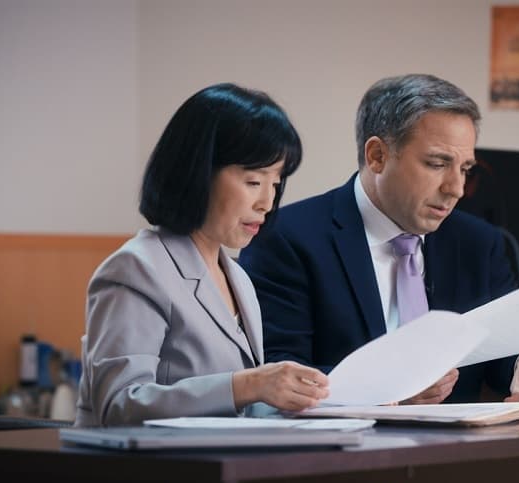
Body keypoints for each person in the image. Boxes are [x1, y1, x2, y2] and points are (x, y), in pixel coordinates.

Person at [239, 74, 519, 408]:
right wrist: (384, 390)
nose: (456, 188)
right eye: (437, 164)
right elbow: (277, 376)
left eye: (465, 168)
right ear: (377, 156)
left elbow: (507, 340)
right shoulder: (286, 237)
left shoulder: (478, 242)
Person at [75, 83, 329, 427]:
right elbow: (118, 406)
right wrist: (249, 384)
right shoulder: (136, 268)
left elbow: (242, 409)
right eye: (254, 182)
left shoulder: (238, 278)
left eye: (276, 183)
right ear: (198, 171)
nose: (267, 203)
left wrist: (320, 401)